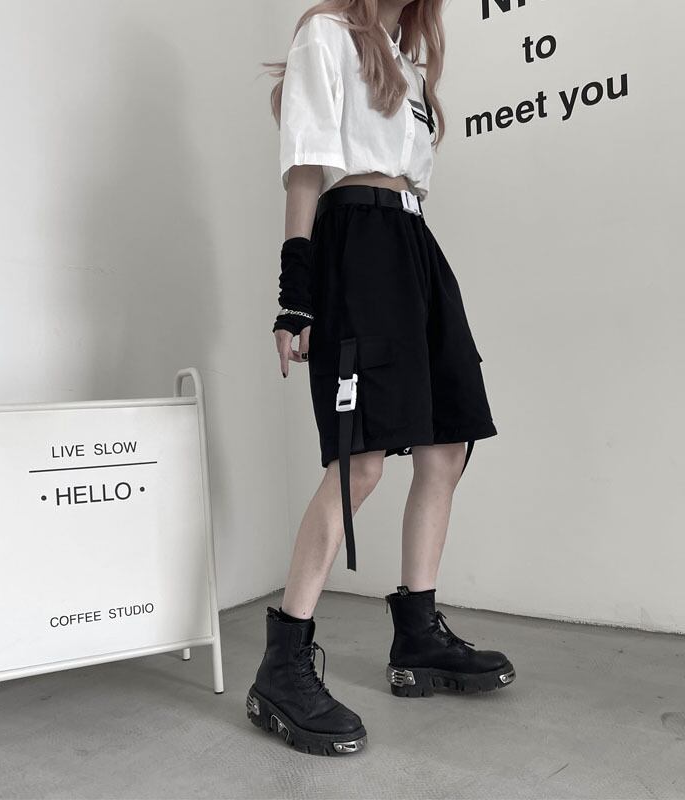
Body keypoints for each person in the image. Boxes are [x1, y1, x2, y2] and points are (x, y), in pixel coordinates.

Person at [246, 0, 515, 756]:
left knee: (447, 444)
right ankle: (282, 666)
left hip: (414, 244)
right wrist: (295, 296)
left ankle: (417, 635)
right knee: (359, 461)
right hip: (356, 241)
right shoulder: (326, 36)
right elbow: (305, 169)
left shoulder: (408, 62)